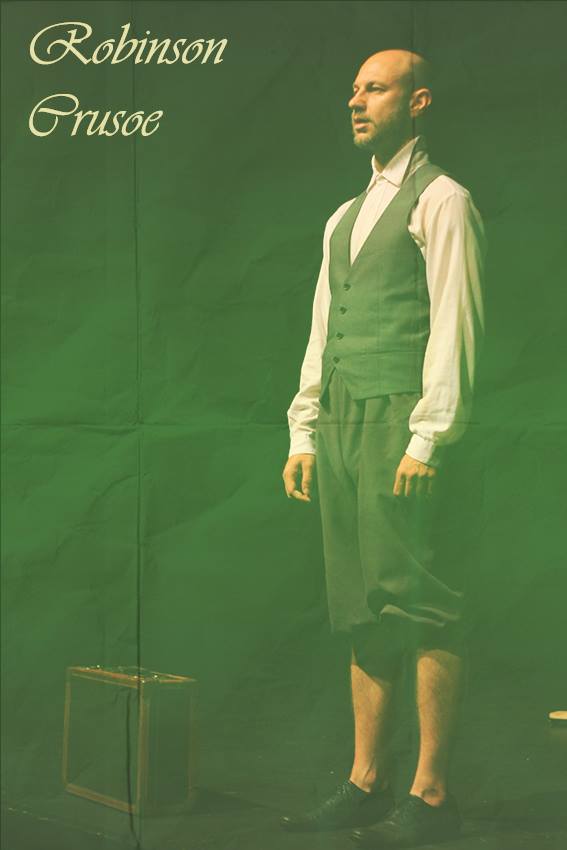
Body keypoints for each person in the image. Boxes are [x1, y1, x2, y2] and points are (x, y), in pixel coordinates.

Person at [280, 48, 486, 848]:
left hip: (401, 418)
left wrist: (428, 437)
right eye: (354, 90)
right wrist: (304, 427)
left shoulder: (441, 200)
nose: (356, 101)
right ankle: (366, 780)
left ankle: (429, 792)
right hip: (340, 418)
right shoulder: (343, 215)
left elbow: (455, 320)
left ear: (417, 100)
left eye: (375, 88)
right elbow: (321, 327)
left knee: (420, 598)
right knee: (361, 602)